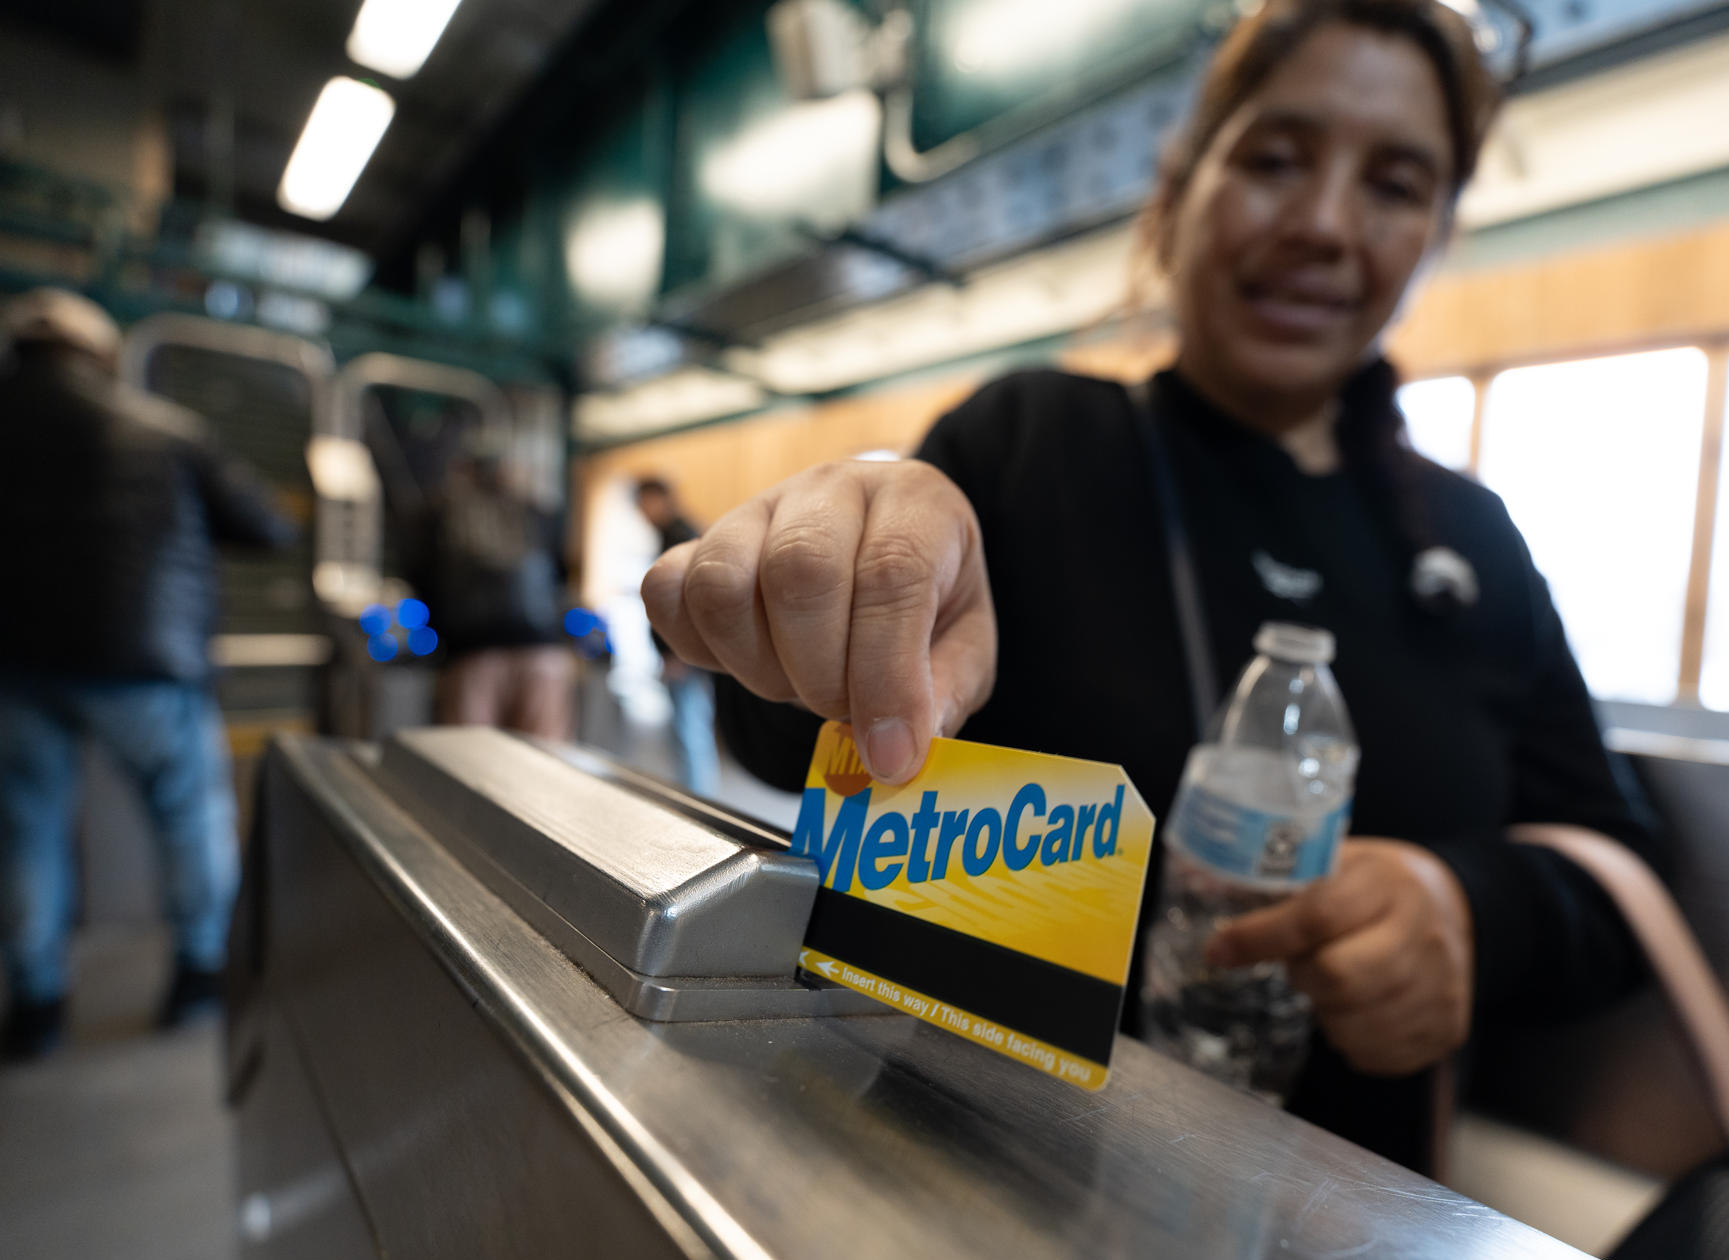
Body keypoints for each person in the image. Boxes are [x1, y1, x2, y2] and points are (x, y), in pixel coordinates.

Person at [641, 0, 1663, 1174]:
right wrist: (822, 586)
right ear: (1180, 190)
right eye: (1276, 159)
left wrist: (1473, 906)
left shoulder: (1471, 545)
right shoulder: (1037, 448)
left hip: (1349, 1223)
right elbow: (782, 739)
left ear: (1435, 232)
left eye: (1395, 183)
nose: (1327, 224)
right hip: (983, 1189)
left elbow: (1618, 855)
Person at [0, 288, 295, 1061]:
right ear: (102, 355)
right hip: (147, 661)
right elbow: (266, 526)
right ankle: (198, 976)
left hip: (21, 665)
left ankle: (35, 1003)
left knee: (27, 831)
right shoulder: (162, 431)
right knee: (188, 819)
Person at [412, 450, 574, 739]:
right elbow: (564, 575)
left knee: (471, 761)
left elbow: (420, 579)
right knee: (545, 758)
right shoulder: (538, 513)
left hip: (471, 655)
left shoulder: (440, 513)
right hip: (542, 651)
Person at [636, 477, 720, 797]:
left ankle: (699, 802)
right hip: (685, 654)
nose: (641, 510)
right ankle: (698, 797)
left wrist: (676, 652)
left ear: (660, 498)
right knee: (690, 728)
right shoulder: (676, 533)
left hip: (684, 656)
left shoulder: (679, 536)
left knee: (690, 730)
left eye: (644, 501)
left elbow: (680, 600)